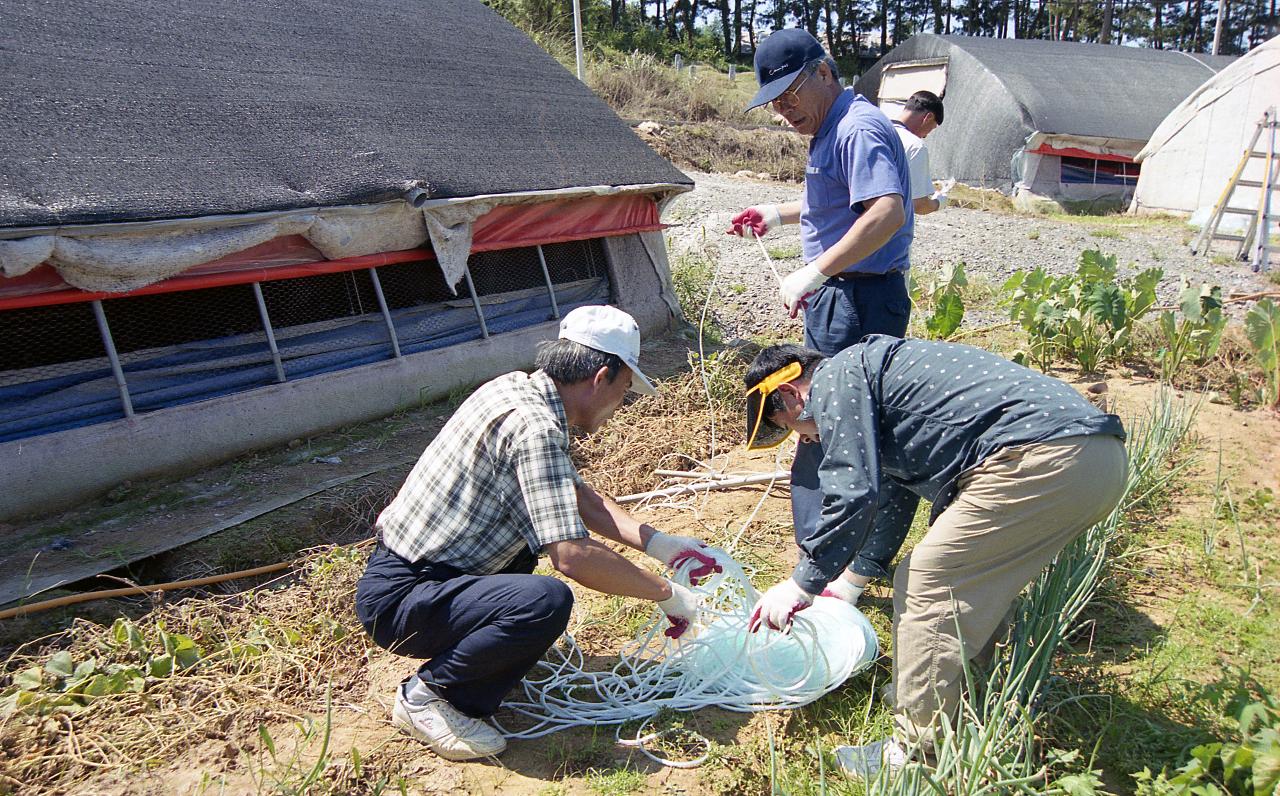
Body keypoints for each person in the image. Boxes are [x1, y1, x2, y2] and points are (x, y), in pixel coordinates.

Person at [741, 338, 1127, 776]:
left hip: (1042, 456)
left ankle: (918, 755)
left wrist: (802, 583)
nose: (806, 439)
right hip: (1095, 458)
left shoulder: (836, 379)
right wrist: (851, 580)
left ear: (792, 394)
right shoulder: (873, 378)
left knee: (929, 582)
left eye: (793, 427)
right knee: (969, 582)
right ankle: (967, 698)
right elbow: (891, 496)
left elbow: (852, 492)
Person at [355, 305, 720, 761]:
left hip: (419, 577)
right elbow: (573, 556)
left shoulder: (518, 389)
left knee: (526, 571)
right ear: (600, 376)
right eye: (625, 389)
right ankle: (431, 696)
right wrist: (667, 594)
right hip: (403, 597)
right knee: (543, 602)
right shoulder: (536, 427)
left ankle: (478, 660)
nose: (620, 405)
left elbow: (574, 495)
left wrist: (659, 544)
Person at [725, 28, 916, 595]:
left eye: (790, 96)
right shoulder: (832, 125)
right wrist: (778, 216)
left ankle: (837, 569)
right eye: (775, 102)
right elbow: (835, 201)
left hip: (860, 298)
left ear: (825, 71)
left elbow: (885, 213)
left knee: (837, 420)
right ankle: (828, 556)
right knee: (824, 417)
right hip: (842, 294)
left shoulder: (857, 128)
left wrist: (815, 272)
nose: (784, 111)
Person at [893, 90, 953, 216]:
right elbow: (918, 205)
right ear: (928, 117)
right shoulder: (915, 145)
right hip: (890, 229)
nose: (925, 136)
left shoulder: (875, 132)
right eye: (931, 128)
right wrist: (939, 202)